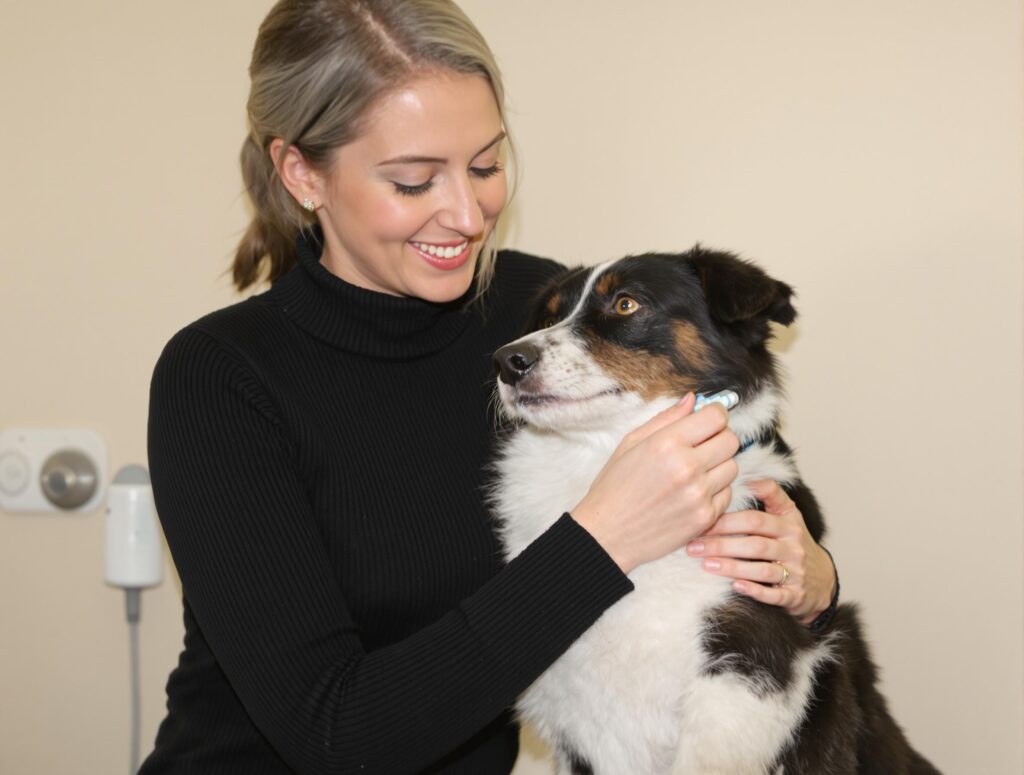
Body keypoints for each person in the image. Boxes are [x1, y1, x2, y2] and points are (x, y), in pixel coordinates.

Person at [141, 1, 838, 773]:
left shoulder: (542, 311)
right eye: (414, 181)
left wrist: (810, 572)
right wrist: (604, 537)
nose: (469, 216)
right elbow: (335, 732)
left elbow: (753, 451)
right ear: (302, 173)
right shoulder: (220, 380)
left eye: (485, 165)